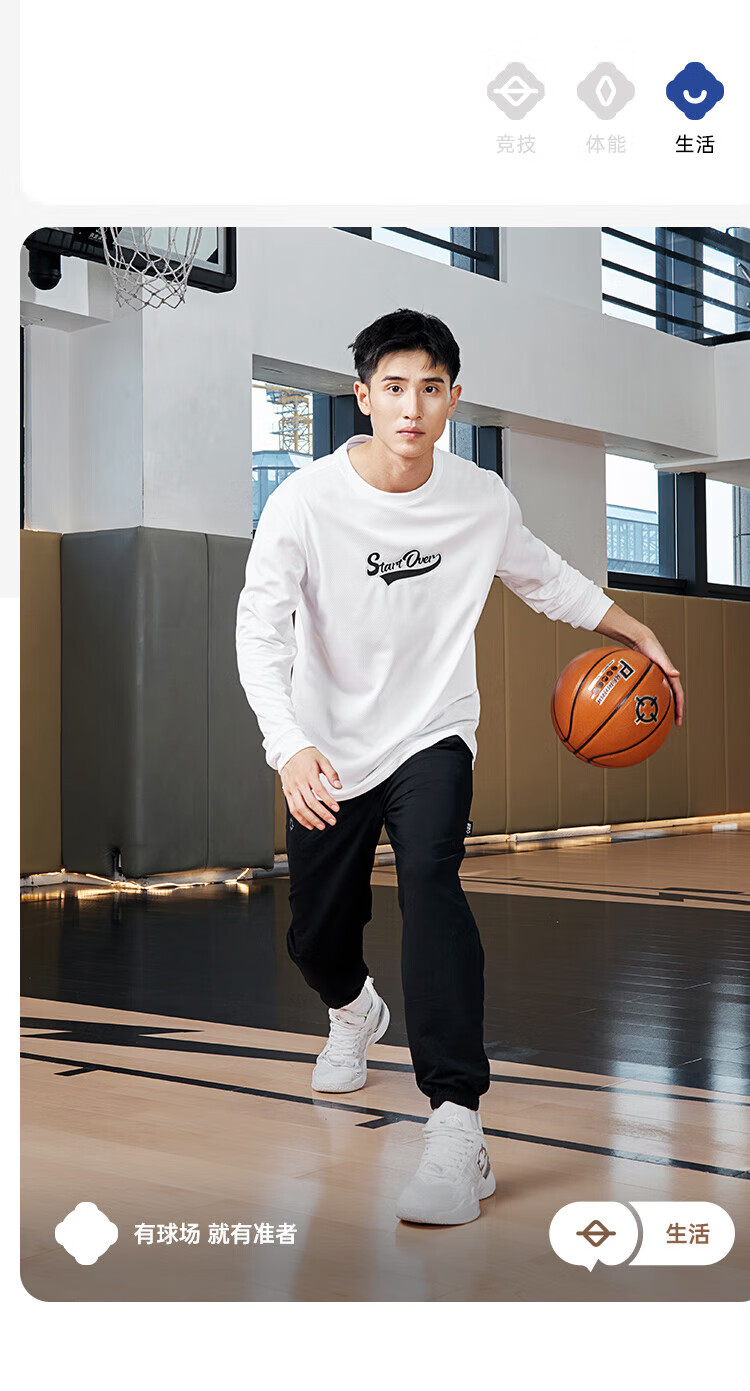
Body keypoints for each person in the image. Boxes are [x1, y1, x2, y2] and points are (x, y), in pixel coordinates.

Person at [236, 307, 685, 1227]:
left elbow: (546, 577)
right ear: (362, 396)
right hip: (326, 746)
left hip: (433, 734)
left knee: (433, 886)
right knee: (316, 937)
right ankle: (352, 1010)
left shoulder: (481, 499)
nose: (412, 408)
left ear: (454, 399)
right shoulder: (304, 502)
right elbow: (259, 632)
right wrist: (288, 746)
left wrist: (633, 628)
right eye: (394, 388)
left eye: (431, 389)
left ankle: (455, 1120)